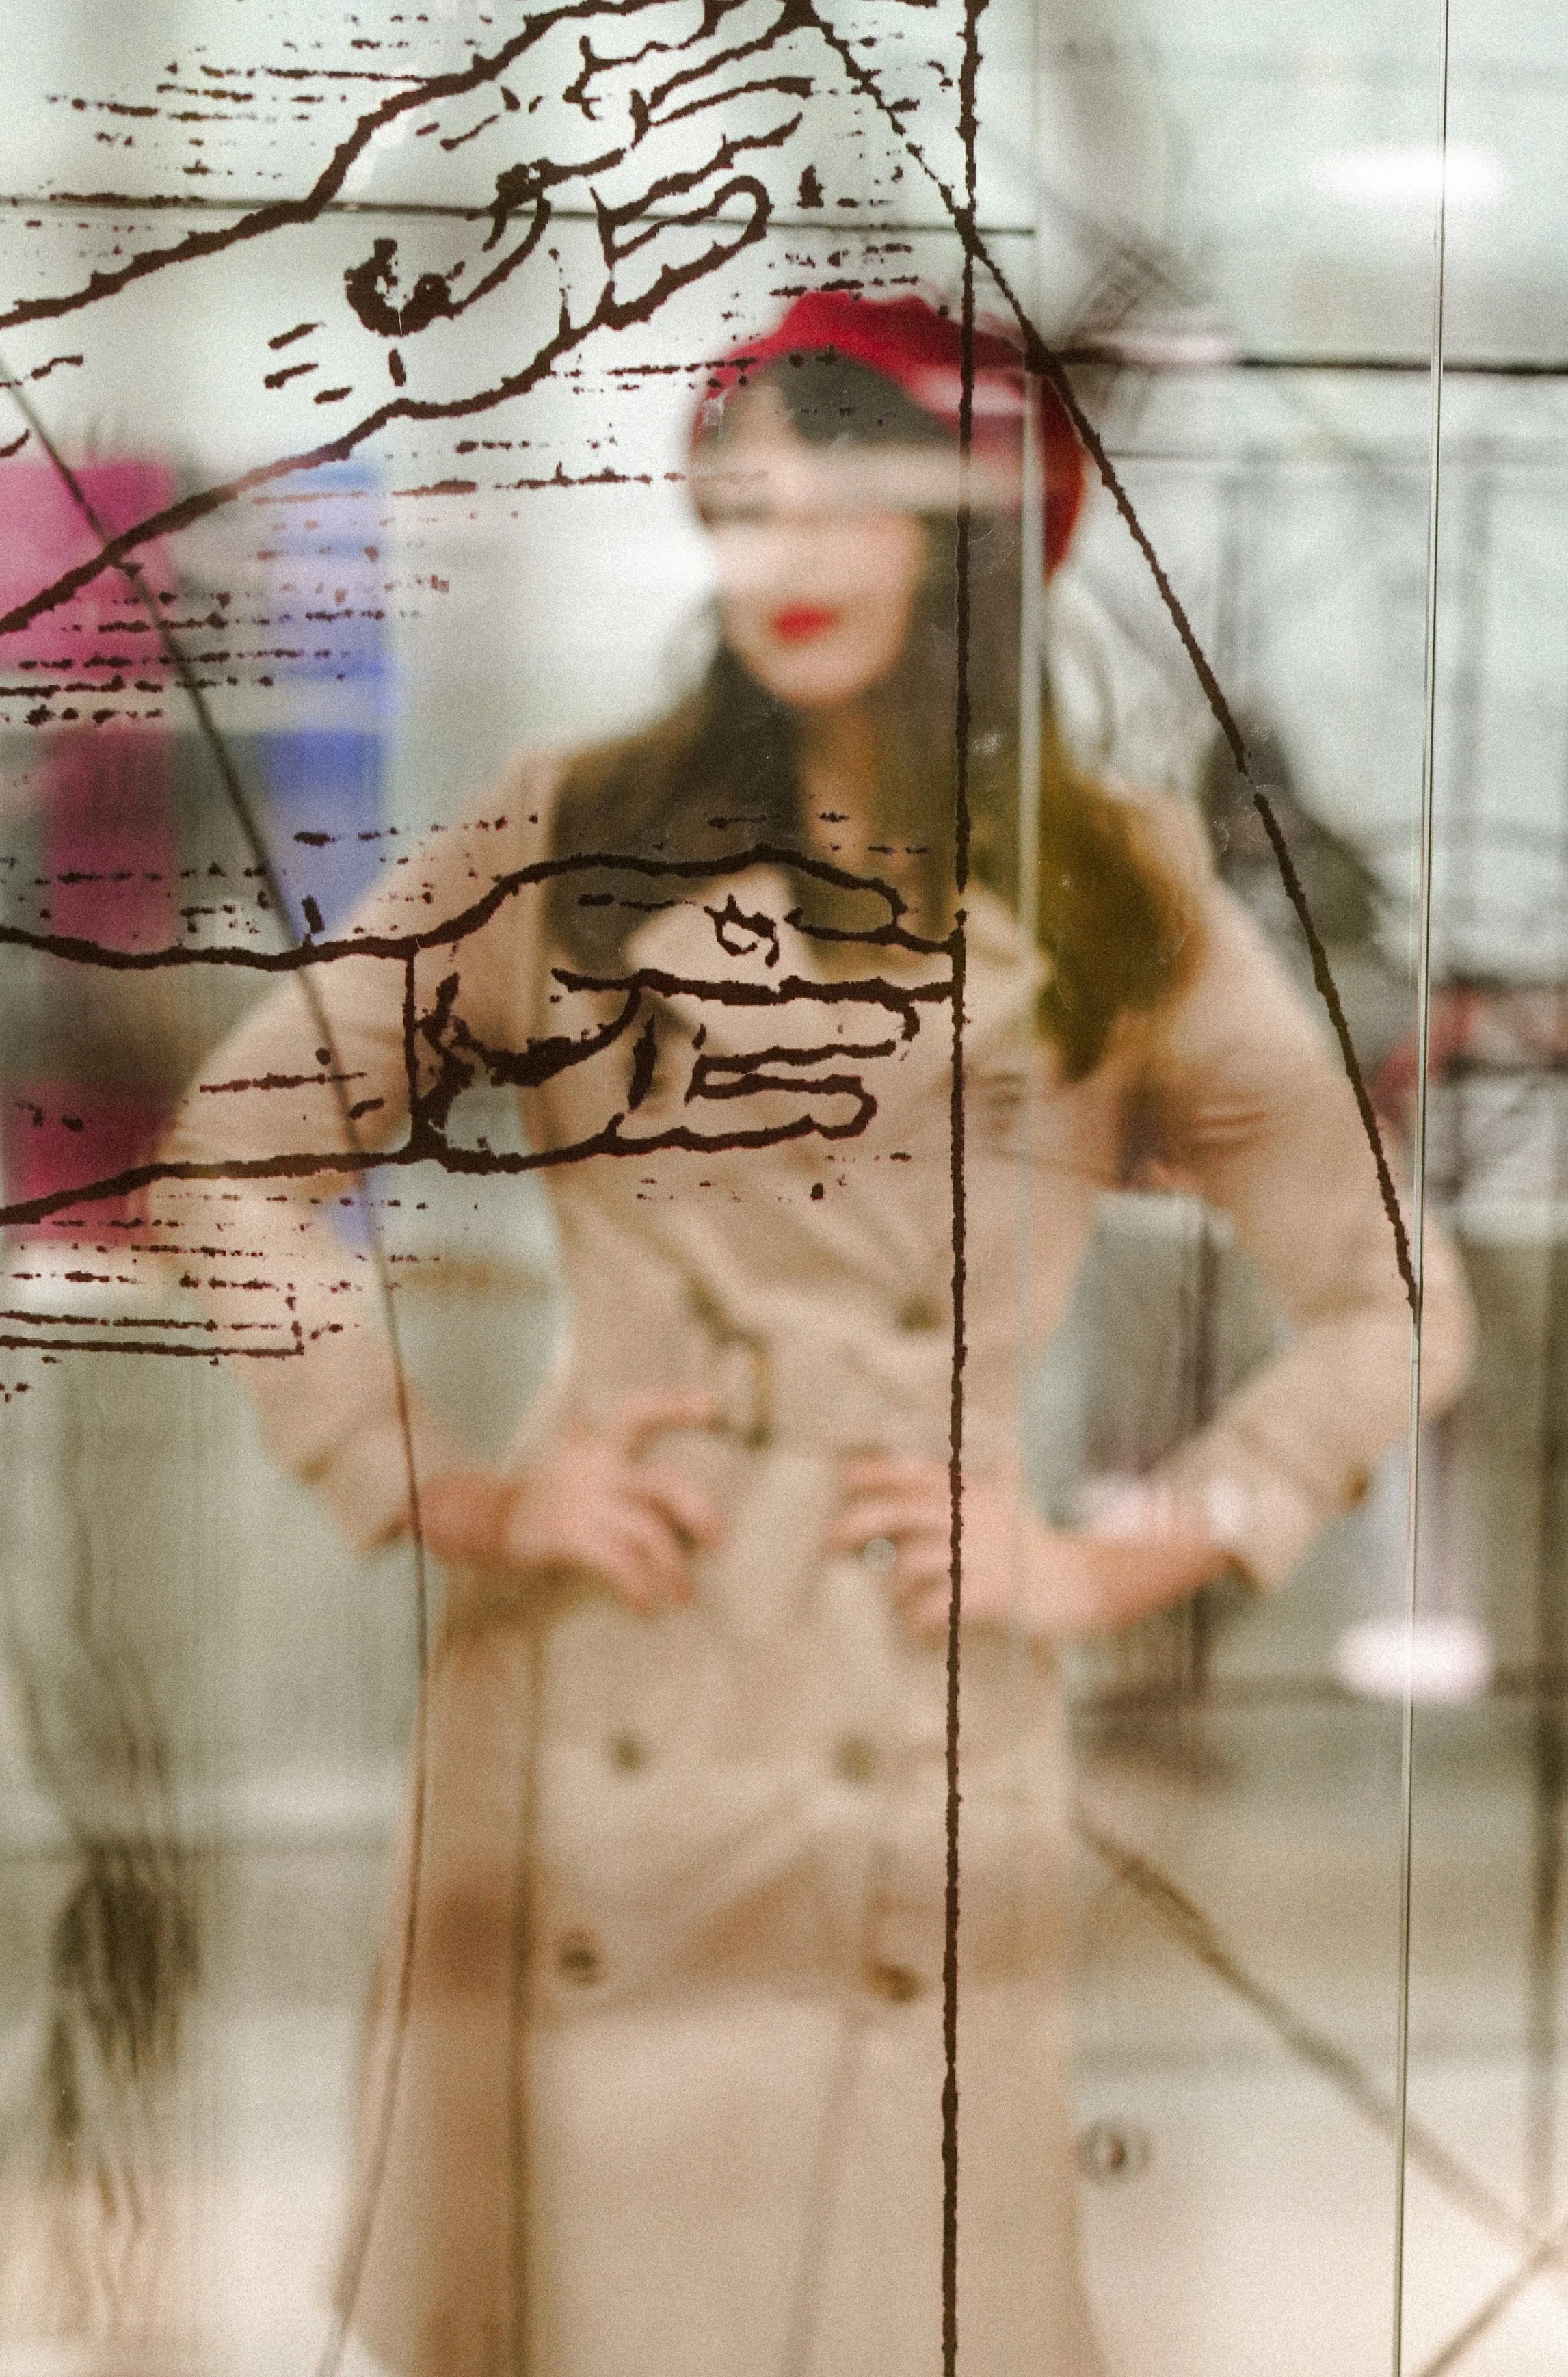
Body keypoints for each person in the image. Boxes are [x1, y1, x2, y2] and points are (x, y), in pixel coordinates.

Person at [155, 291, 1471, 2377]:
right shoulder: (572, 830)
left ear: (975, 531)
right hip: (608, 1649)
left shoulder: (1107, 885)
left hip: (910, 1667)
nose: (783, 551)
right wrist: (431, 1477)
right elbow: (236, 1151)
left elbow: (1387, 1297)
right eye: (744, 499)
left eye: (846, 495)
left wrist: (1117, 1553)